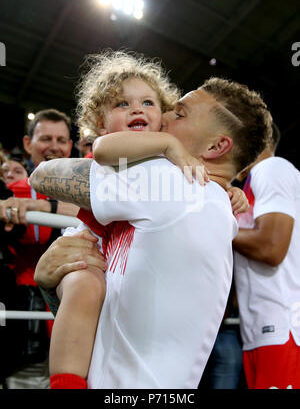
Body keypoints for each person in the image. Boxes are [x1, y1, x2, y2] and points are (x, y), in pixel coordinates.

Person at [31, 67, 272, 389]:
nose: (165, 118)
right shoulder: (211, 204)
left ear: (216, 147)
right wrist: (51, 284)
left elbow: (42, 176)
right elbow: (102, 318)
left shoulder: (170, 181)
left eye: (180, 114)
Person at [0, 109, 78, 389]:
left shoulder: (92, 187)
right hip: (26, 324)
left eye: (61, 139)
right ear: (27, 143)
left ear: (71, 146)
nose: (54, 147)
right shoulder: (12, 191)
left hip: (81, 318)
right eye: (45, 138)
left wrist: (47, 207)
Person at [233, 122, 300, 389]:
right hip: (261, 329)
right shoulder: (250, 182)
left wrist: (218, 227)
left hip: (283, 328)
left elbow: (271, 247)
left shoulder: (272, 168)